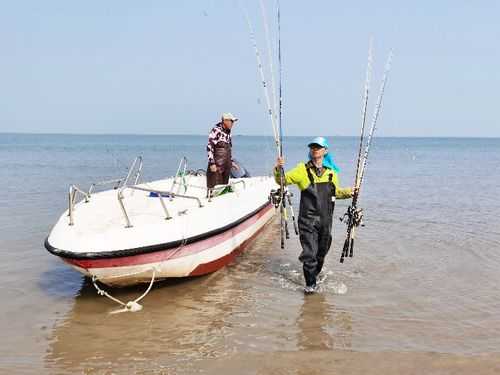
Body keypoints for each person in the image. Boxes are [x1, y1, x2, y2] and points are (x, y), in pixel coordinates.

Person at [275, 137, 354, 294]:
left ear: (325, 151)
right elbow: (282, 181)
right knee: (310, 254)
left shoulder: (332, 173)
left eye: (318, 147)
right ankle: (310, 286)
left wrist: (350, 192)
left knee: (321, 254)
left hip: (325, 221)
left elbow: (335, 193)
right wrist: (278, 168)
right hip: (307, 221)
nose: (315, 149)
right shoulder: (302, 170)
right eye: (312, 147)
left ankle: (313, 276)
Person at [206, 113, 239, 189]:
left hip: (226, 167)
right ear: (225, 121)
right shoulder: (216, 130)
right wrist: (212, 163)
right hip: (217, 168)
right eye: (232, 121)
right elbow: (209, 147)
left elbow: (227, 150)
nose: (233, 124)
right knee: (215, 190)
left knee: (223, 191)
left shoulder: (228, 133)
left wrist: (231, 162)